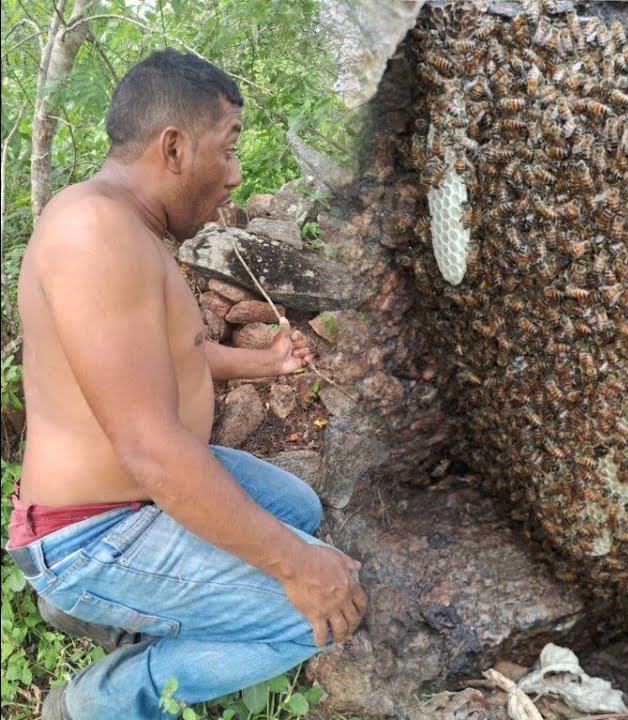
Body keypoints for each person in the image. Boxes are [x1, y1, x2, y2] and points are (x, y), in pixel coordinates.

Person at [4, 49, 367, 719]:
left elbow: (174, 359)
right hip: (91, 531)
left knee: (297, 510)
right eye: (227, 148)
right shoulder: (93, 235)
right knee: (311, 609)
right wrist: (295, 568)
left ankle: (125, 609)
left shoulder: (129, 228)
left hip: (139, 496)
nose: (233, 176)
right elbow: (148, 446)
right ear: (173, 147)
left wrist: (267, 363)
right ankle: (97, 702)